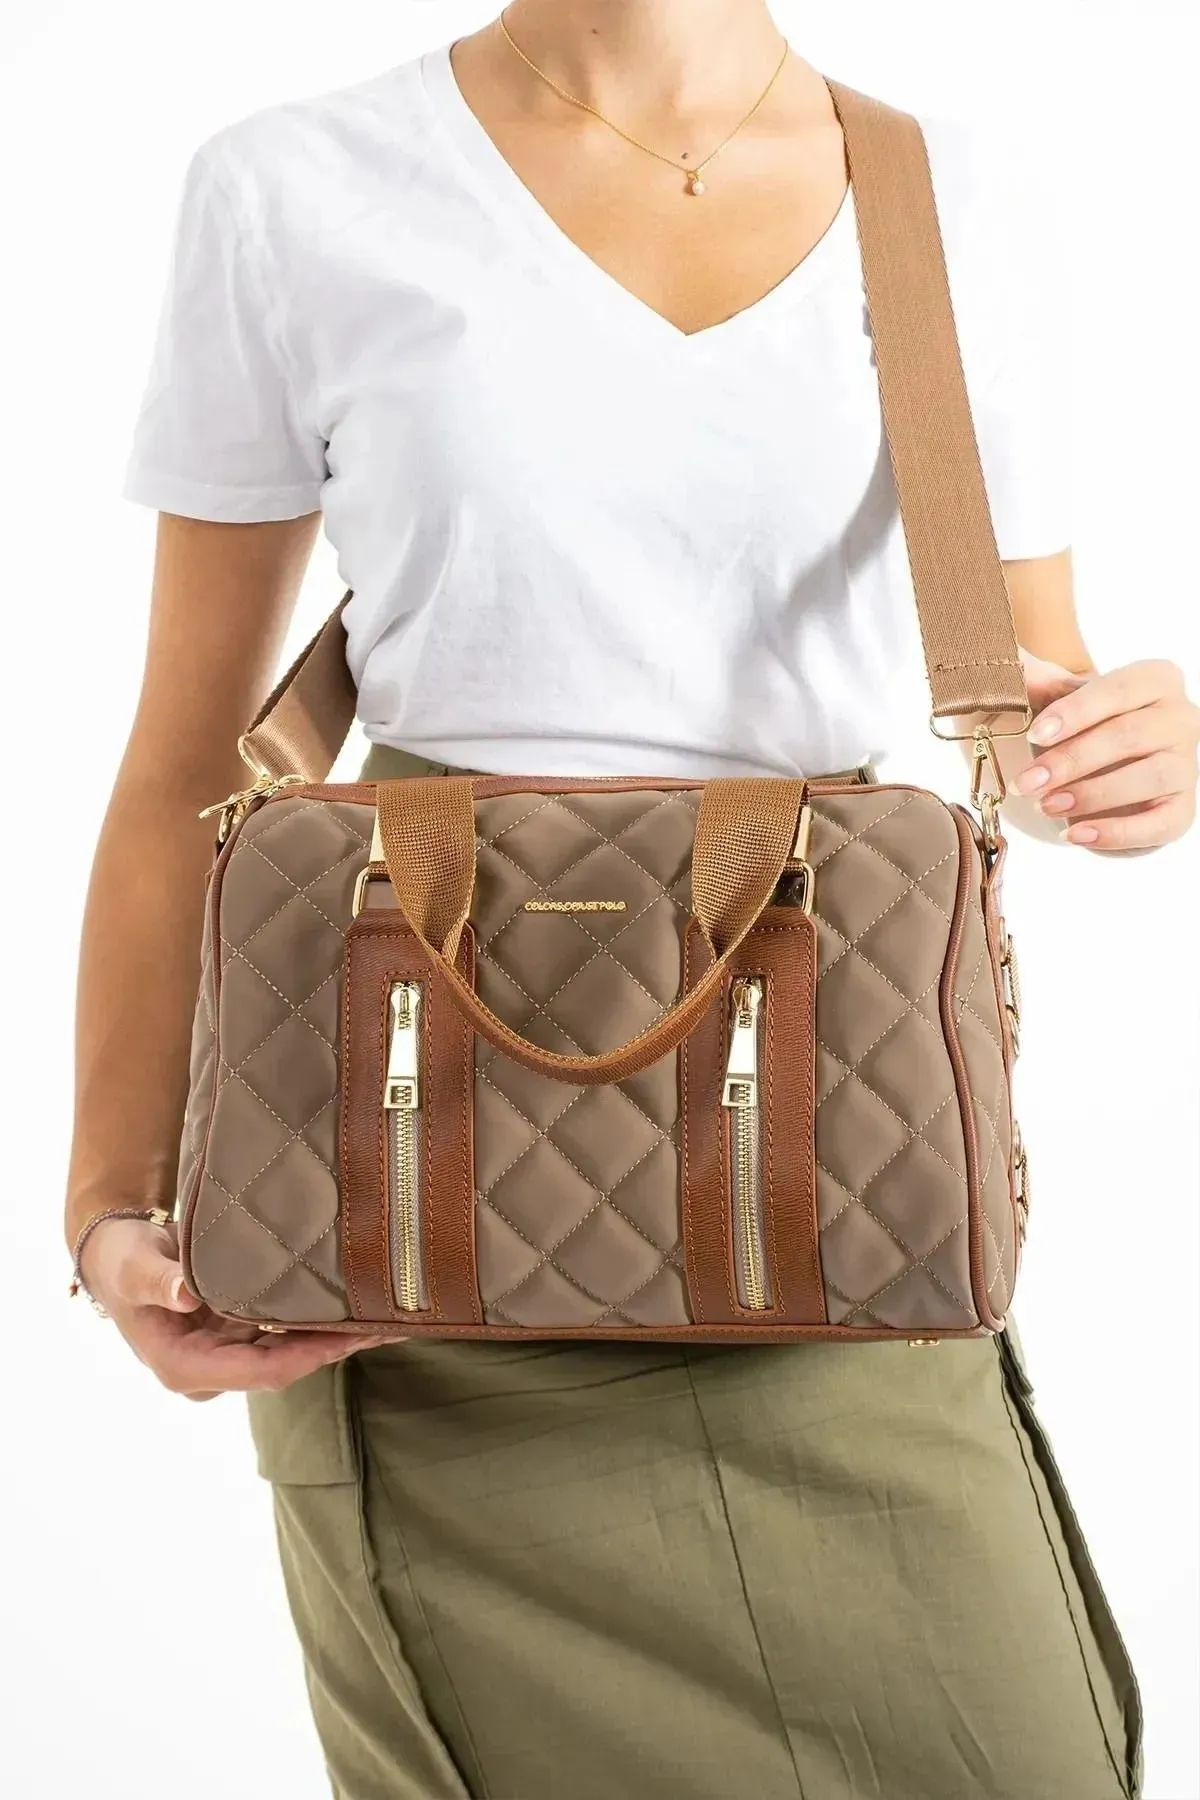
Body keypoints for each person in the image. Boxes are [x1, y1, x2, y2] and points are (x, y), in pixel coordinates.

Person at [67, 4, 1197, 1795]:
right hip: (420, 1209)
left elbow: (1024, 703)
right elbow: (186, 768)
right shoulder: (294, 185)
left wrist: (1129, 761)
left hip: (823, 1178)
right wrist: (108, 1207)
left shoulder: (947, 193)